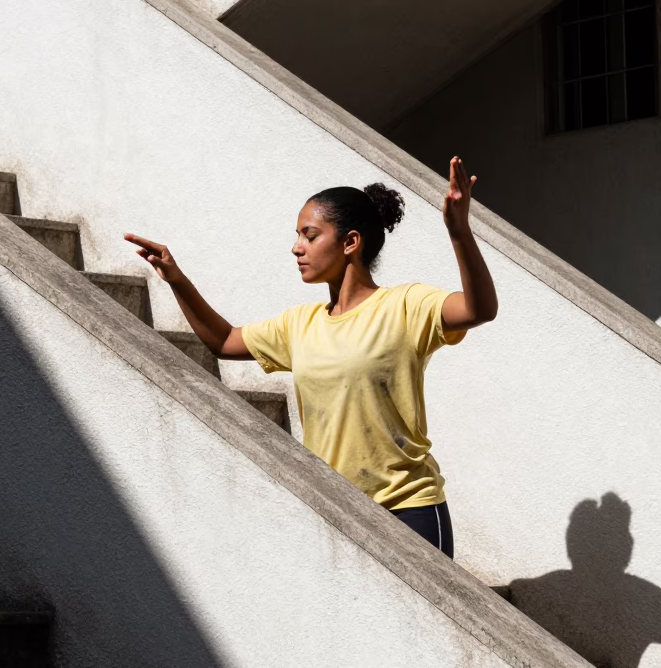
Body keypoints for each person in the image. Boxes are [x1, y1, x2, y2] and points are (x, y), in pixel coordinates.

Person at [124, 157, 497, 558]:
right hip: (334, 512)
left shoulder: (406, 305)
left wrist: (459, 232)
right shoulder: (300, 324)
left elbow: (479, 309)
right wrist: (177, 279)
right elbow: (224, 341)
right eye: (298, 235)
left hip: (409, 510)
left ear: (350, 242)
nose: (296, 247)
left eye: (310, 235)